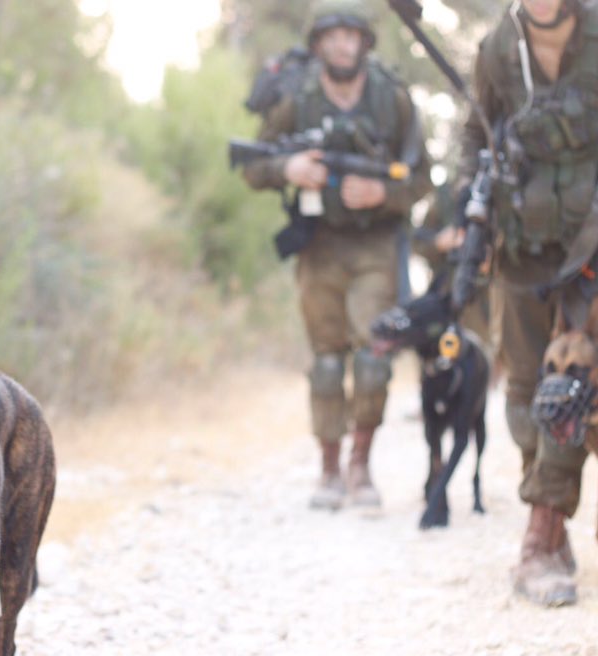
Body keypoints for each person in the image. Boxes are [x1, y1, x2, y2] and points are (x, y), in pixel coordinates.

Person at [241, 0, 431, 511]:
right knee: (327, 363)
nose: (343, 44)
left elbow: (422, 179)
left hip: (375, 244)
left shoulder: (391, 98)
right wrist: (289, 169)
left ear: (364, 43)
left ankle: (360, 465)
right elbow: (252, 166)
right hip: (318, 243)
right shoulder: (295, 100)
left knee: (373, 357)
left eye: (352, 36)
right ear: (319, 44)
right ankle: (328, 468)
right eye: (333, 36)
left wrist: (380, 194)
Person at [460, 0, 597, 607]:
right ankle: (551, 516)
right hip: (522, 242)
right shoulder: (496, 49)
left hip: (590, 241)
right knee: (523, 396)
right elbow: (475, 135)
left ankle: (537, 544)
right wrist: (471, 219)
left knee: (570, 375)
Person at [411, 180, 492, 348]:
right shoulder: (443, 197)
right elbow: (417, 241)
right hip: (447, 295)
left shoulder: (497, 191)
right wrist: (438, 241)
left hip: (485, 299)